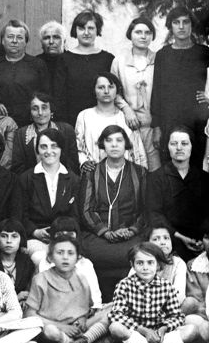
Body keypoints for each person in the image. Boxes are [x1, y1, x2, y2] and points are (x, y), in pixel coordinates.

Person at [80, 125, 148, 300]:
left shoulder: (140, 173)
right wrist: (105, 232)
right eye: (109, 140)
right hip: (98, 236)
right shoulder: (92, 173)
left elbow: (146, 210)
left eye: (119, 140)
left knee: (137, 253)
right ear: (102, 144)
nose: (114, 145)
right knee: (91, 254)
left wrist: (132, 230)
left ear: (126, 144)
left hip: (131, 234)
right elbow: (86, 210)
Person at [25, 232, 110, 343]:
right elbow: (29, 314)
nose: (65, 257)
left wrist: (82, 319)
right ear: (51, 257)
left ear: (78, 257)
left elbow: (85, 309)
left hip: (76, 327)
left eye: (70, 253)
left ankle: (80, 342)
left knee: (112, 311)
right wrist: (63, 327)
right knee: (50, 332)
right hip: (54, 326)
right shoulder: (40, 279)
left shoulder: (81, 278)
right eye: (60, 253)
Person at [108, 242, 198, 343]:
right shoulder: (124, 285)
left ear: (158, 265)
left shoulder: (166, 286)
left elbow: (177, 316)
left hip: (160, 333)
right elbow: (116, 315)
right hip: (135, 331)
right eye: (140, 263)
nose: (145, 268)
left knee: (192, 330)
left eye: (150, 263)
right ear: (132, 265)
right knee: (115, 327)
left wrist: (164, 329)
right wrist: (144, 331)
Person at [150, 6, 209, 168]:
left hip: (198, 121)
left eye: (186, 22)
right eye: (176, 23)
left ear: (192, 25)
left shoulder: (204, 53)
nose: (181, 27)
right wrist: (156, 127)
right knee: (171, 169)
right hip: (170, 120)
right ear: (170, 27)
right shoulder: (163, 55)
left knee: (196, 169)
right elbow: (157, 92)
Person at [54, 10, 126, 126]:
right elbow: (59, 96)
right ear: (75, 31)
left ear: (97, 30)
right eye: (81, 28)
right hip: (71, 120)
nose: (86, 32)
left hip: (103, 120)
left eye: (91, 28)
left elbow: (115, 91)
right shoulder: (64, 59)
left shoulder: (107, 59)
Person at [148, 126, 209, 260]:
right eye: (174, 144)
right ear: (167, 147)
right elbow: (154, 213)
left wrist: (202, 240)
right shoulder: (156, 178)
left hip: (200, 240)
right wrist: (181, 238)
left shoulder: (204, 178)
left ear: (192, 146)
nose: (179, 148)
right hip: (170, 237)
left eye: (184, 143)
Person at [17, 128, 79, 261]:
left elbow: (75, 215)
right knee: (42, 259)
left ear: (61, 149)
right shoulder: (26, 178)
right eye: (43, 147)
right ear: (37, 150)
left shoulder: (73, 179)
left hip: (65, 238)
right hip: (35, 239)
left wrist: (63, 233)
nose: (49, 151)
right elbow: (20, 214)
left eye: (54, 146)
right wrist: (35, 231)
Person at [111, 16, 160, 171]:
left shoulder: (158, 60)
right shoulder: (119, 61)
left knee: (154, 171)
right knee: (132, 170)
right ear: (130, 34)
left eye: (148, 32)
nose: (143, 36)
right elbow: (113, 90)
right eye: (138, 32)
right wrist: (126, 109)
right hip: (129, 124)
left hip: (152, 126)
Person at [75, 72, 147, 172]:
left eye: (111, 87)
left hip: (125, 175)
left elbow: (138, 150)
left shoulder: (126, 117)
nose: (106, 91)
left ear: (117, 90)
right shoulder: (85, 116)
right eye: (101, 87)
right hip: (95, 175)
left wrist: (142, 174)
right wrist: (83, 162)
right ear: (94, 91)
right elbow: (78, 147)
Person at [0, 19, 50, 126]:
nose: (14, 41)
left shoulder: (37, 65)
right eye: (10, 37)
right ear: (3, 40)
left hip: (30, 123)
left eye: (19, 37)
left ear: (26, 41)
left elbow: (45, 95)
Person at [11, 92, 79, 175]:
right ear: (30, 112)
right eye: (35, 108)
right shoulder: (21, 134)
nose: (40, 113)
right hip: (31, 184)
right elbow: (18, 167)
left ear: (51, 111)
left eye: (44, 108)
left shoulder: (66, 130)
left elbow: (73, 164)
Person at [132, 227, 188, 306]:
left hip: (169, 308)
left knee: (189, 303)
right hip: (141, 307)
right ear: (147, 243)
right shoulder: (140, 262)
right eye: (156, 239)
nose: (162, 242)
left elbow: (179, 296)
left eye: (166, 238)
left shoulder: (178, 263)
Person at [0, 219, 34, 306]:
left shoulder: (27, 263)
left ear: (21, 239)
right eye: (4, 236)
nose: (9, 241)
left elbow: (28, 292)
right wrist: (17, 298)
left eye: (14, 236)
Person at [36, 21, 66, 86]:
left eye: (56, 37)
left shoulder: (72, 62)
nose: (51, 41)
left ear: (64, 41)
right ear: (41, 43)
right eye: (46, 38)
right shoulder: (35, 64)